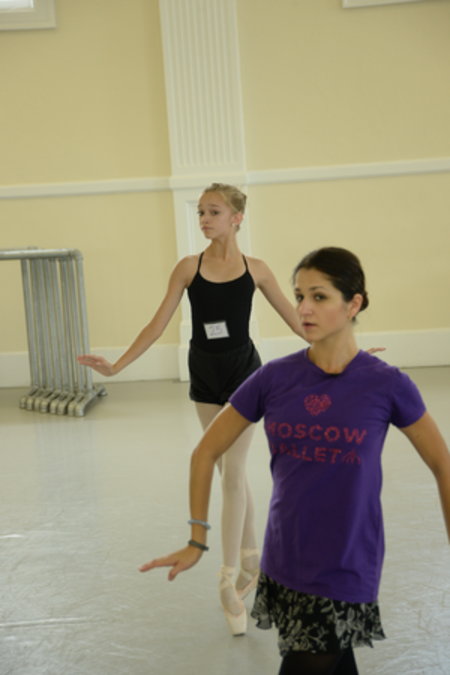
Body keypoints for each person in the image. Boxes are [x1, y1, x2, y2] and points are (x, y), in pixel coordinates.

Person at [140, 247, 450, 675]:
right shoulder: (274, 377)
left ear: (354, 303)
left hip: (346, 562)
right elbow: (205, 451)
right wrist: (197, 539)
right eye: (300, 295)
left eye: (319, 297)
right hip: (286, 560)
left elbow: (442, 465)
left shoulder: (386, 385)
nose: (303, 308)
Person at [78, 183, 306, 635]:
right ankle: (252, 560)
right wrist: (117, 366)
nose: (204, 219)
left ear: (236, 217)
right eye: (201, 212)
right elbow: (157, 323)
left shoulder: (256, 270)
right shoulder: (188, 267)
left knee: (234, 472)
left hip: (244, 375)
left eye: (213, 212)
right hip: (204, 374)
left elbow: (299, 320)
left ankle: (228, 581)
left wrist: (349, 353)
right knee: (225, 470)